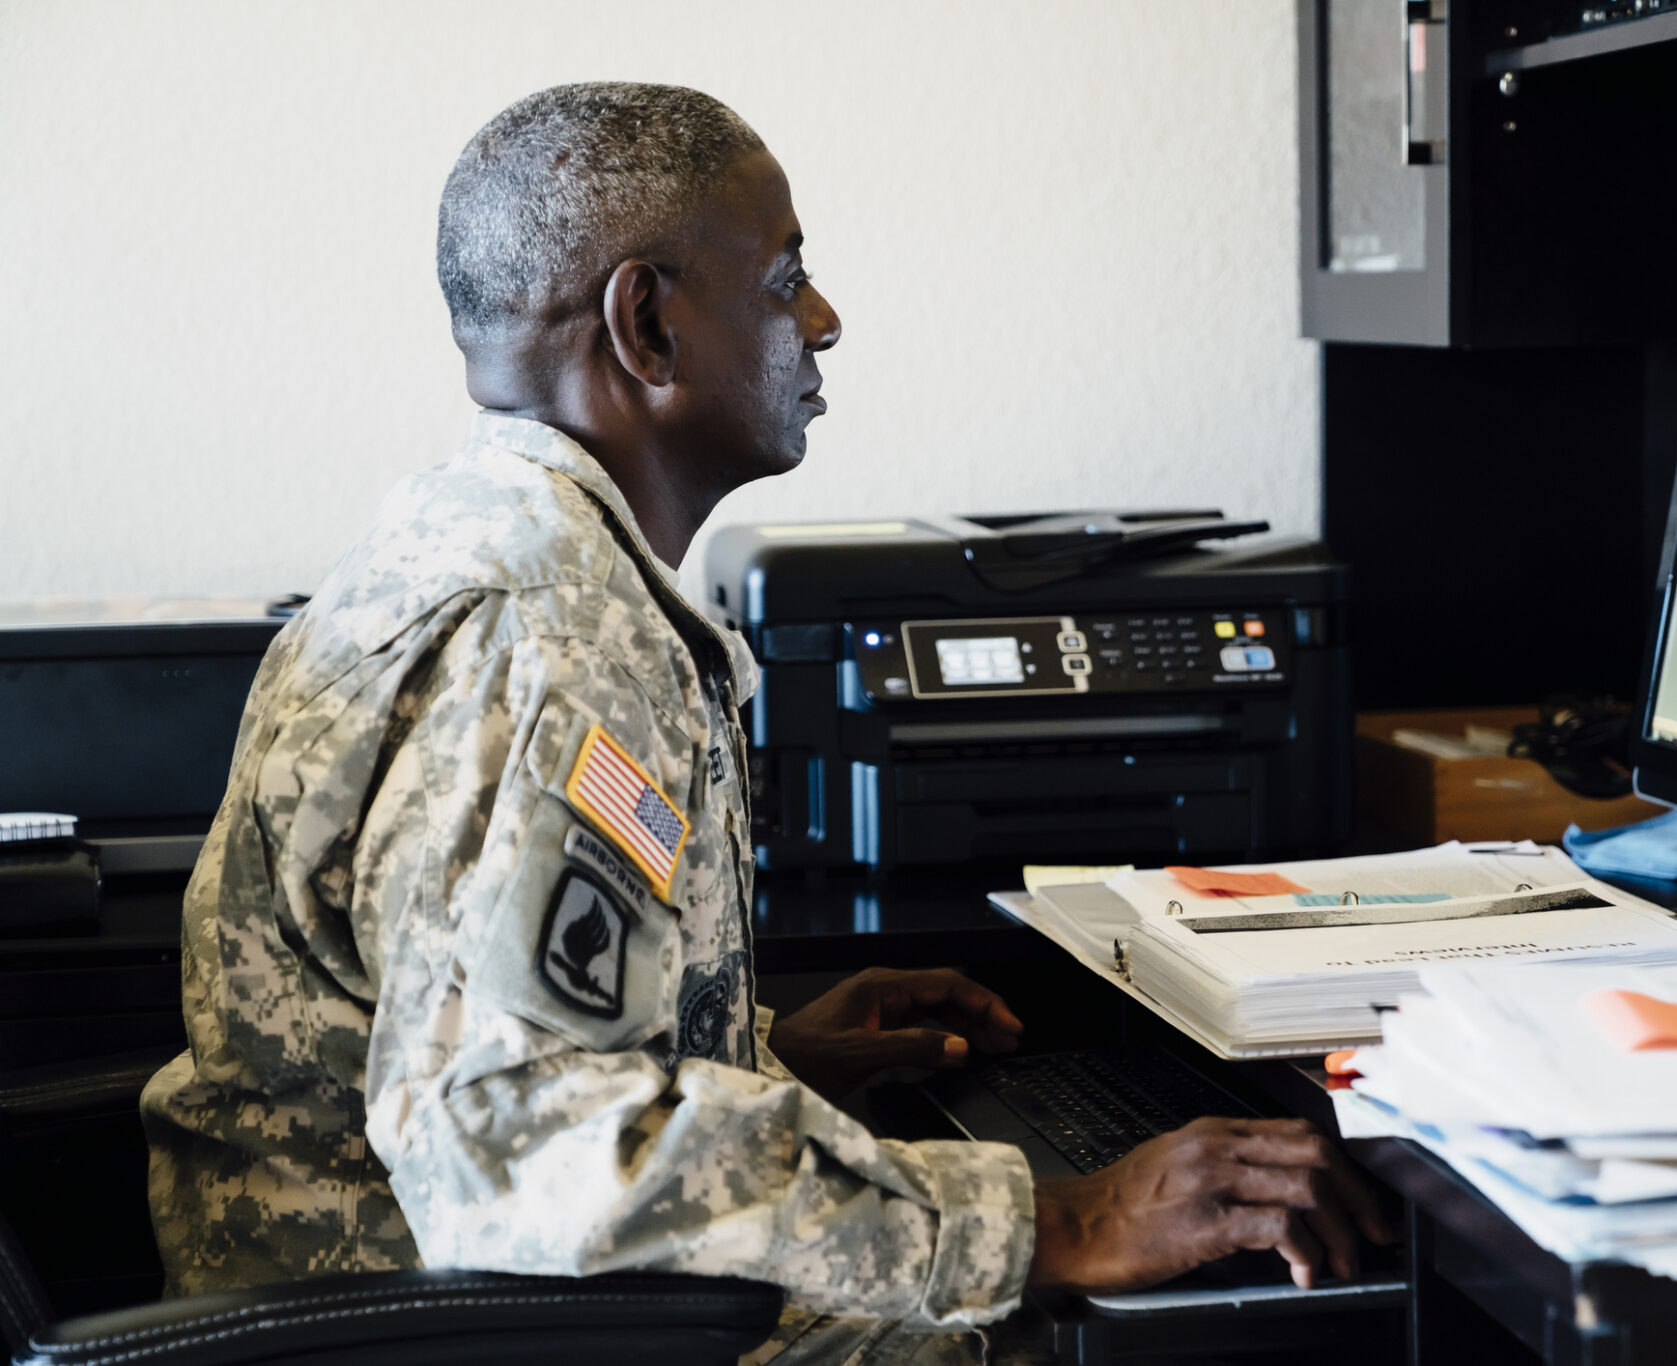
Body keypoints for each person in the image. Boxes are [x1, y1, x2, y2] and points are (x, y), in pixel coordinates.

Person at [141, 82, 1385, 1363]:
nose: (825, 320)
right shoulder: (549, 638)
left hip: (428, 1303)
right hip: (460, 1331)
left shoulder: (472, 535)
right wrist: (1058, 1217)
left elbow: (493, 1045)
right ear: (648, 324)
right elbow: (520, 1162)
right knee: (1153, 1331)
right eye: (785, 278)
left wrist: (748, 1053)